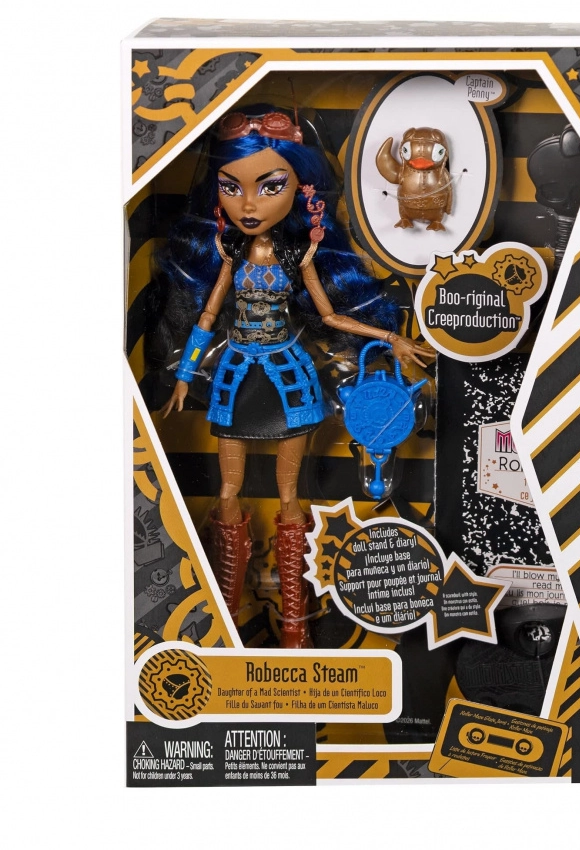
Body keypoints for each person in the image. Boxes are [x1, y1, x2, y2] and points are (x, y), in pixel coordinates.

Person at [157, 109, 433, 647]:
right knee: (229, 491)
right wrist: (185, 374)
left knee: (290, 496)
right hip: (235, 380)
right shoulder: (229, 252)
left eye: (270, 187)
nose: (249, 204)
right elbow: (208, 316)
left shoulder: (297, 255)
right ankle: (225, 615)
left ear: (301, 189)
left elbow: (330, 316)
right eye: (232, 188)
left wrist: (390, 338)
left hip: (291, 383)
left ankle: (295, 624)